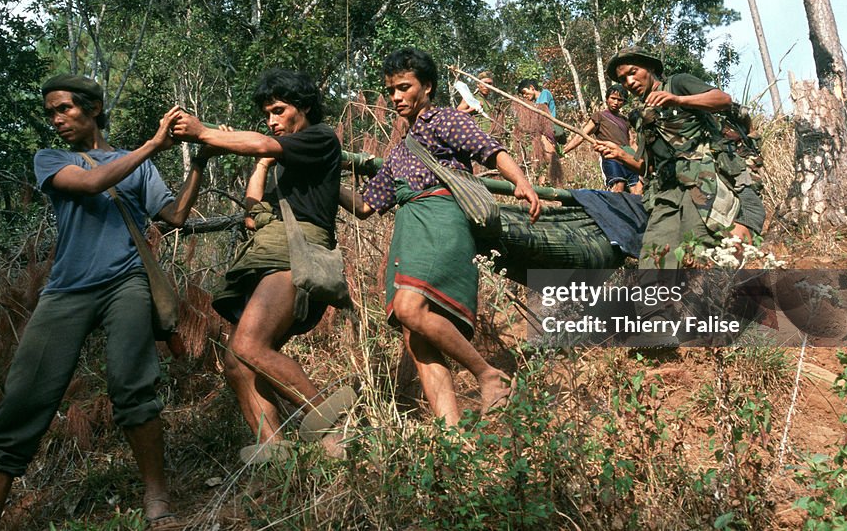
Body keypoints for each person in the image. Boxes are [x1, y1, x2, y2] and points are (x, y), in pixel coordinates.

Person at [0, 74, 214, 530]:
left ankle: (157, 497)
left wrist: (200, 159)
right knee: (26, 393)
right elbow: (90, 184)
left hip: (125, 281)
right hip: (67, 289)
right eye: (51, 112)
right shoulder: (51, 159)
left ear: (93, 108)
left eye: (64, 108)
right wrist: (154, 143)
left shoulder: (138, 165)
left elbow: (176, 215)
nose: (57, 119)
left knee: (133, 385)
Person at [341, 47, 540, 427]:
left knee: (409, 308)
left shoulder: (444, 120)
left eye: (404, 87)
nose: (397, 97)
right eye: (392, 90)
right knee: (417, 341)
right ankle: (452, 438)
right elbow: (366, 206)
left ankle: (488, 375)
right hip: (410, 233)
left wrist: (522, 181)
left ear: (427, 86)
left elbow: (490, 150)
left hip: (443, 221)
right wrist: (325, 178)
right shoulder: (398, 153)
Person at [170, 69, 350, 462]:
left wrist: (203, 132)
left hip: (294, 252)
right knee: (237, 362)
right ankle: (275, 452)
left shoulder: (319, 137)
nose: (272, 120)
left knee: (248, 345)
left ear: (303, 108)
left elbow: (259, 143)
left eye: (279, 110)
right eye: (267, 114)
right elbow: (252, 213)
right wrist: (265, 164)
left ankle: (336, 426)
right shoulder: (286, 163)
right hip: (268, 252)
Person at [595, 48, 765, 270]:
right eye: (623, 79)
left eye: (633, 72)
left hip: (702, 185)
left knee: (700, 256)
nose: (629, 81)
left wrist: (677, 99)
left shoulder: (677, 83)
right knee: (653, 261)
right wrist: (619, 155)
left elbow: (722, 99)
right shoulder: (643, 116)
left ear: (651, 68)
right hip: (666, 196)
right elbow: (650, 167)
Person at [563, 84, 643, 194]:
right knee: (618, 190)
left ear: (623, 102)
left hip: (628, 159)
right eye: (613, 98)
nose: (616, 102)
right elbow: (581, 135)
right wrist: (564, 151)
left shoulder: (625, 120)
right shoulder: (599, 116)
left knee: (637, 193)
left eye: (620, 100)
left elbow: (632, 142)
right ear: (606, 99)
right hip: (612, 159)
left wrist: (639, 161)